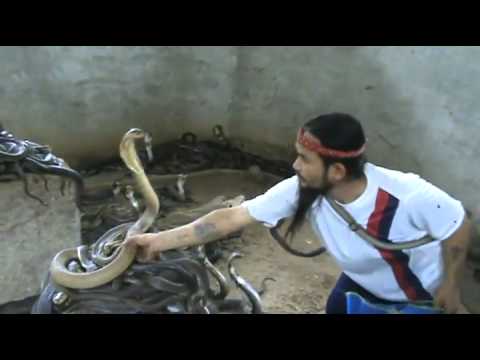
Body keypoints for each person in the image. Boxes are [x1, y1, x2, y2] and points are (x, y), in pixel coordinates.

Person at [124, 113, 472, 314]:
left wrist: (452, 284)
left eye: (304, 159)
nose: (294, 165)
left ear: (336, 171)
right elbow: (229, 218)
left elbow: (458, 228)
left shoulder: (408, 194)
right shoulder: (301, 189)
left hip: (416, 298)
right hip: (356, 287)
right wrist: (158, 240)